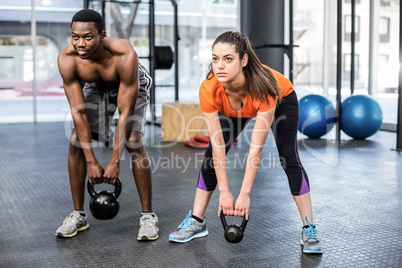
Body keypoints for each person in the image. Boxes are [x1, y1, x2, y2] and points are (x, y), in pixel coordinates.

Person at [169, 31, 323, 253]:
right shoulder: (209, 89)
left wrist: (244, 194)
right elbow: (218, 146)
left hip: (281, 99)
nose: (219, 66)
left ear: (244, 60)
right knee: (211, 155)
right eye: (215, 59)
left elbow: (255, 149)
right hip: (234, 105)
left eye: (228, 59)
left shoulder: (265, 89)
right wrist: (224, 192)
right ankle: (197, 220)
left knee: (288, 157)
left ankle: (309, 228)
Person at [56, 9, 158, 241]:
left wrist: (114, 162)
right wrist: (92, 162)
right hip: (95, 86)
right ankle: (78, 214)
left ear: (102, 35)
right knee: (75, 140)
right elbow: (79, 113)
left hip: (132, 82)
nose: (80, 43)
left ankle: (148, 216)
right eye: (75, 37)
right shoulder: (67, 59)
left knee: (133, 141)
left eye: (88, 37)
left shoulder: (124, 55)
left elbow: (124, 113)